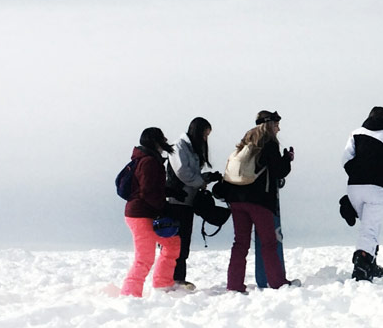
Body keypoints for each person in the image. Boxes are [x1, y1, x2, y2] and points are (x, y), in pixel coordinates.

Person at [224, 110, 298, 291]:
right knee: (269, 242)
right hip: (259, 201)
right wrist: (287, 159)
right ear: (269, 124)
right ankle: (277, 283)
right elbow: (278, 171)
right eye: (277, 124)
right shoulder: (268, 144)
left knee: (240, 243)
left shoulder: (244, 144)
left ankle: (234, 285)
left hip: (236, 199)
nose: (278, 129)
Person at [342, 106, 383, 281]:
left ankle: (371, 262)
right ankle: (362, 264)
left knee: (367, 227)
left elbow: (345, 158)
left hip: (354, 187)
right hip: (376, 188)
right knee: (370, 228)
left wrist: (356, 173)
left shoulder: (356, 133)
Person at [121, 127, 180, 296]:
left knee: (172, 243)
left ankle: (162, 284)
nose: (165, 140)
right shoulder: (149, 162)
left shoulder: (145, 160)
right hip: (140, 214)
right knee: (145, 258)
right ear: (155, 141)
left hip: (140, 212)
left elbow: (151, 188)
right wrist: (164, 207)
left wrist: (170, 192)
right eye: (162, 137)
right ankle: (130, 295)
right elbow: (148, 191)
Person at [168, 116, 220, 288]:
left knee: (183, 242)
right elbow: (182, 171)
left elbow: (191, 174)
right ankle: (171, 279)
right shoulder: (179, 147)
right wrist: (201, 182)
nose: (206, 139)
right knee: (174, 243)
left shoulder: (191, 149)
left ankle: (178, 278)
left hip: (187, 201)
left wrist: (207, 178)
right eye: (205, 135)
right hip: (176, 201)